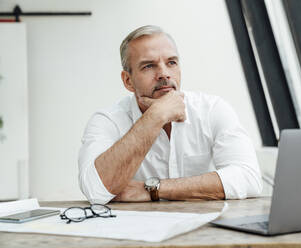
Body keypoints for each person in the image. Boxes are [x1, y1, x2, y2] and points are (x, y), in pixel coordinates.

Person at [78, 25, 262, 204]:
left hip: (203, 225)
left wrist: (153, 189)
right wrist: (156, 116)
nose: (164, 74)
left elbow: (248, 178)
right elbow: (96, 190)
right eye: (149, 66)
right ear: (128, 81)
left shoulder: (213, 109)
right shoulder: (107, 121)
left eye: (171, 63)